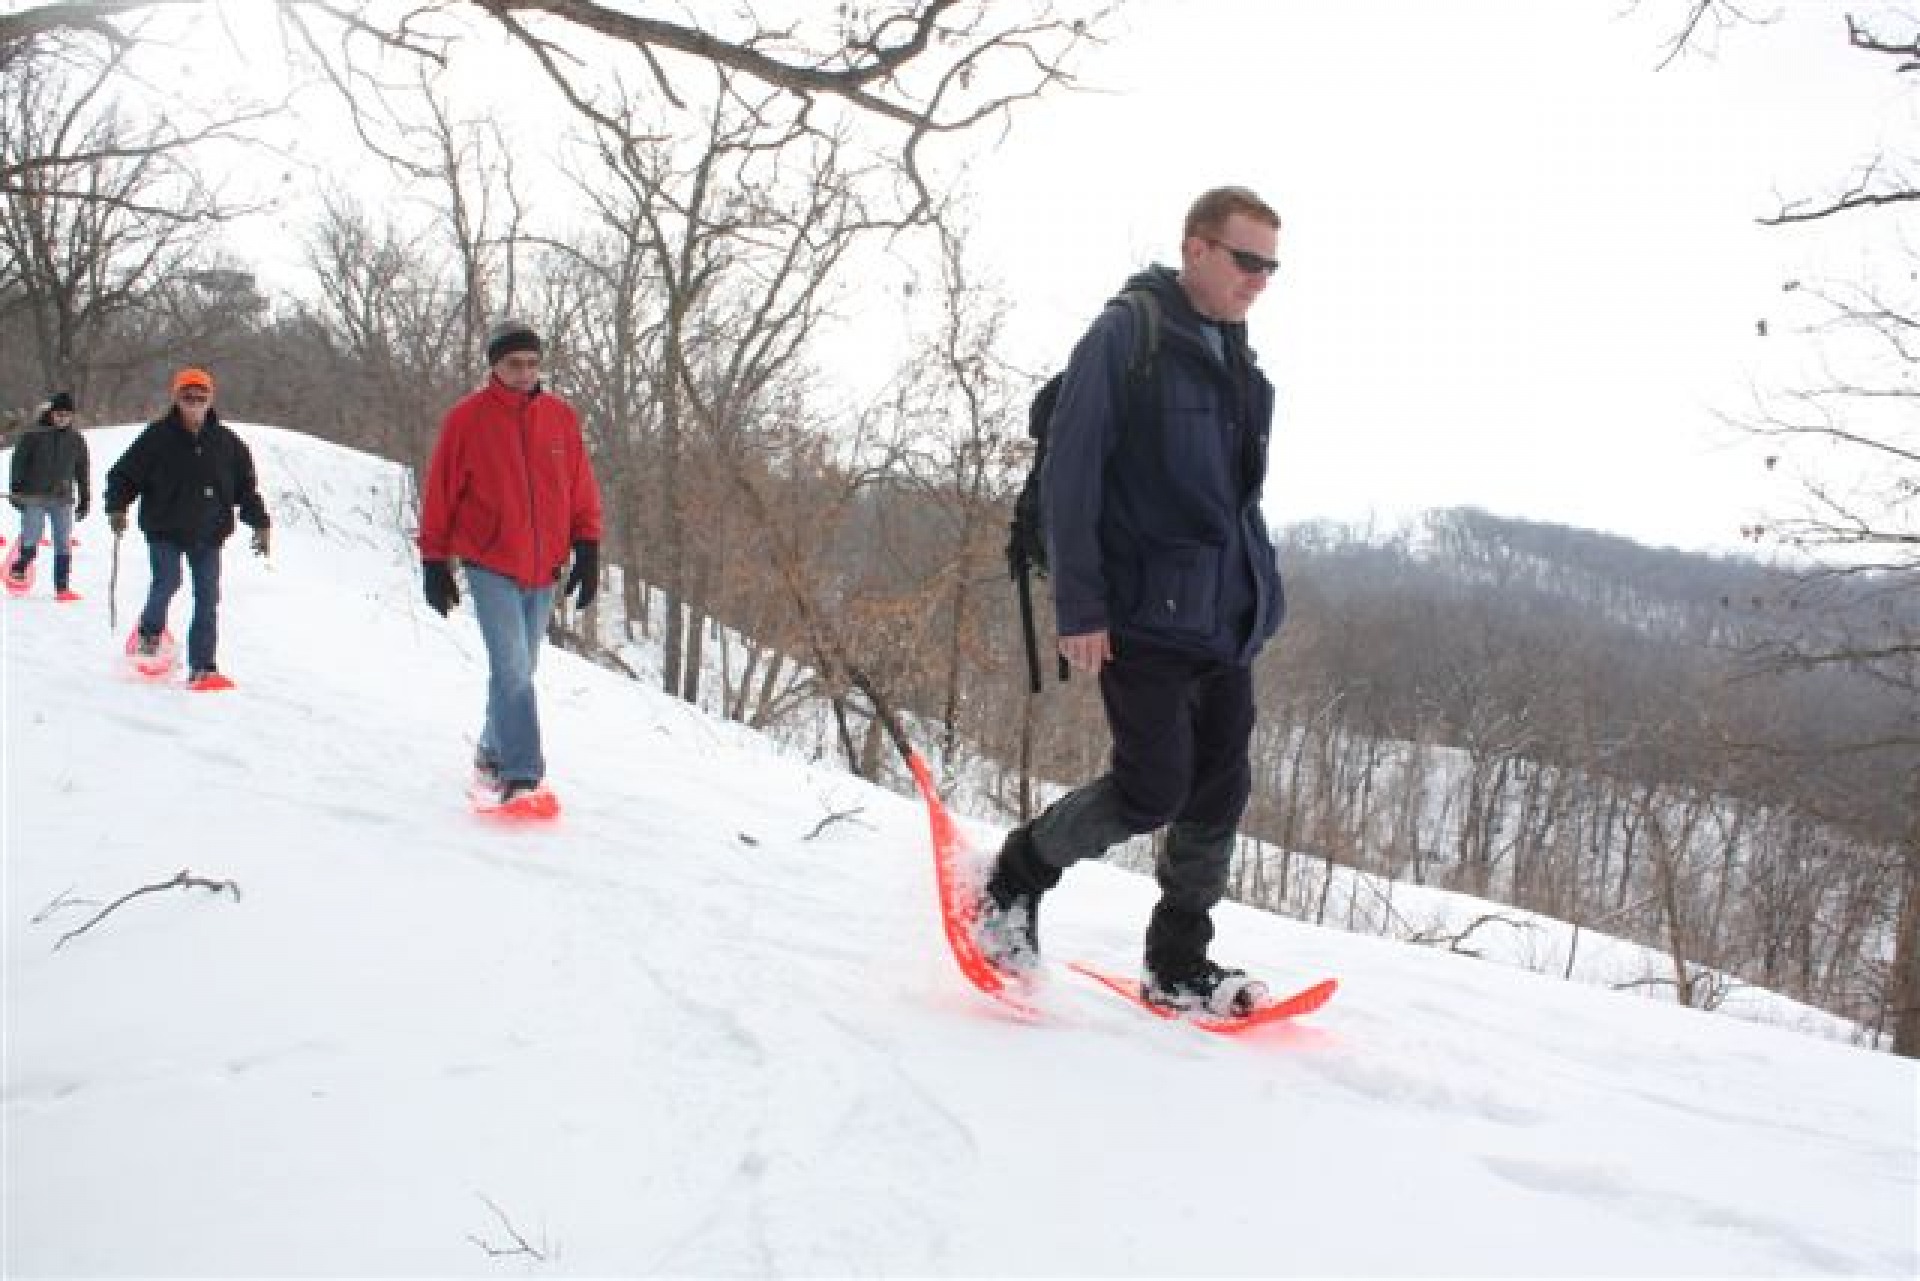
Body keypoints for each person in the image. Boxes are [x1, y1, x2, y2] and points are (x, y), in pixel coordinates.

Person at [975, 186, 1289, 1017]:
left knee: (1219, 788)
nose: (1260, 279)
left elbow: (1237, 500)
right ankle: (1015, 875)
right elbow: (1072, 474)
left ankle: (1178, 960)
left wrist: (1259, 596)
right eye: (1246, 259)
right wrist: (1079, 606)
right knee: (1152, 786)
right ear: (1195, 248)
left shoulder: (1236, 358)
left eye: (1271, 265)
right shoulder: (1127, 336)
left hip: (1226, 618)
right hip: (1144, 611)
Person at [418, 318, 603, 806]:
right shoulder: (466, 419)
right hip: (490, 561)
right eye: (513, 364)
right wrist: (433, 559)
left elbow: (579, 486)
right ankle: (522, 776)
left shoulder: (561, 417)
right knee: (513, 670)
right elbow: (440, 492)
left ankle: (489, 752)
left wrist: (587, 546)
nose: (524, 372)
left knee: (520, 669)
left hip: (544, 567)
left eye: (531, 363)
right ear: (494, 367)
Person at [104, 368, 271, 686]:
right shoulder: (156, 437)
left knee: (207, 597)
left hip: (209, 532)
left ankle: (203, 667)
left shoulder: (228, 443)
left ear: (211, 398)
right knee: (167, 582)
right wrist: (116, 506)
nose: (194, 400)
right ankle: (149, 634)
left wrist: (260, 524)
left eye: (200, 395)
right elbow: (123, 475)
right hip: (164, 527)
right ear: (176, 398)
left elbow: (245, 490)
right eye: (187, 395)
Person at [7, 391, 91, 601]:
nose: (62, 418)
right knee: (32, 535)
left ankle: (62, 587)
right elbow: (18, 463)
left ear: (72, 416)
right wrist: (16, 489)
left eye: (67, 414)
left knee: (63, 542)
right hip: (33, 495)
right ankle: (21, 564)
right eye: (58, 414)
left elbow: (82, 470)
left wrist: (84, 498)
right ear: (51, 413)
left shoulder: (76, 439)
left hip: (62, 498)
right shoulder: (33, 435)